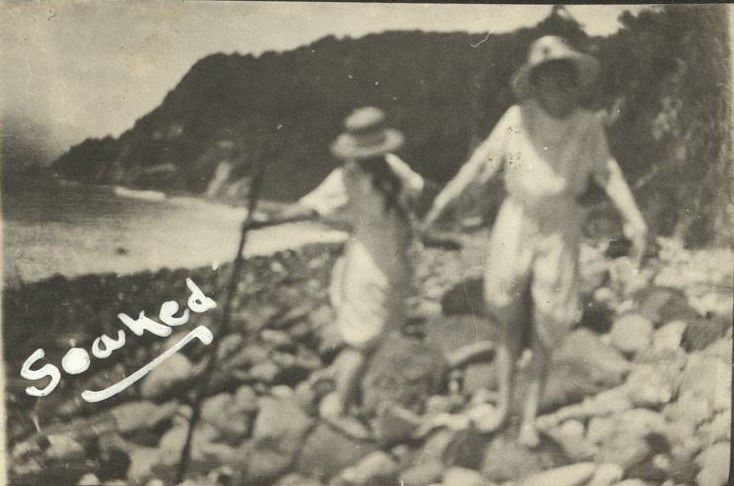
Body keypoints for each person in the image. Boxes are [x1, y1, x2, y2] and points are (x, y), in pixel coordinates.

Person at [421, 36, 648, 447]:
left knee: (548, 321)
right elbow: (481, 163)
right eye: (548, 78)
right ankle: (502, 407)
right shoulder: (517, 117)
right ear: (536, 83)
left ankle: (529, 419)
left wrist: (635, 220)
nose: (558, 86)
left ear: (575, 82)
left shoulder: (587, 125)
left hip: (561, 226)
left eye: (565, 77)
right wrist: (442, 203)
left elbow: (608, 172)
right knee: (508, 318)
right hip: (517, 218)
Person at [254, 107, 426, 424]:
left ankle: (341, 402)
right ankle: (345, 405)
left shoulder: (353, 176)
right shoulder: (389, 168)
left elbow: (309, 208)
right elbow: (415, 194)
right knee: (369, 339)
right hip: (387, 263)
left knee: (364, 340)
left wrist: (265, 222)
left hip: (374, 264)